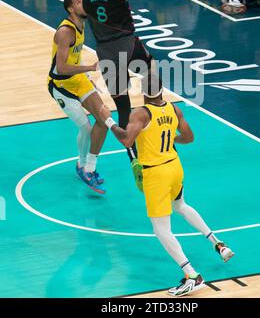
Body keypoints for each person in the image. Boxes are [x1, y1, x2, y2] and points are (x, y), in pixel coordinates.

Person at [99, 76, 234, 297]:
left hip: (157, 173)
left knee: (160, 229)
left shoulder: (140, 114)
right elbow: (189, 137)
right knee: (181, 206)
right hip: (174, 166)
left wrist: (108, 120)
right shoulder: (173, 109)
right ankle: (218, 243)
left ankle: (192, 276)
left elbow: (126, 141)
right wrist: (172, 140)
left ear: (142, 91)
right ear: (161, 90)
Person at [79, 0, 164, 165]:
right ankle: (157, 117)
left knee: (122, 101)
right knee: (151, 75)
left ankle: (132, 153)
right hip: (128, 45)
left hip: (104, 51)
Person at [48, 0, 107, 193]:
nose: (84, 4)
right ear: (71, 9)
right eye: (79, 2)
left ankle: (90, 167)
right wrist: (89, 68)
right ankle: (81, 166)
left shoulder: (82, 24)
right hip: (61, 85)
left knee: (104, 119)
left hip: (79, 80)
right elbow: (62, 67)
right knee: (86, 127)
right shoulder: (65, 31)